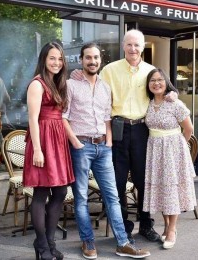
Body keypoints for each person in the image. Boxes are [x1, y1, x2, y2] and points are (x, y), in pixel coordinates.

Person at [71, 29, 177, 242]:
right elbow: (91, 83)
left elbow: (162, 88)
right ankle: (125, 227)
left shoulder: (150, 71)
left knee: (143, 180)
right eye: (129, 44)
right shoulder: (109, 70)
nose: (133, 48)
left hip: (141, 129)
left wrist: (171, 93)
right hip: (116, 129)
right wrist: (77, 73)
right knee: (117, 182)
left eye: (137, 45)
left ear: (143, 46)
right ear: (123, 46)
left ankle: (146, 225)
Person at [63, 43, 150, 259]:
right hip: (81, 147)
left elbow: (106, 117)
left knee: (113, 196)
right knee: (81, 197)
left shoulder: (105, 86)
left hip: (104, 147)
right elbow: (63, 116)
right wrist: (74, 141)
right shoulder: (70, 84)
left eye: (95, 58)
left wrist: (109, 141)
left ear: (100, 60)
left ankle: (123, 242)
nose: (92, 61)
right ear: (81, 60)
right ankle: (88, 241)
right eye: (88, 58)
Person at [23, 42, 75, 260]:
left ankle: (49, 242)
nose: (56, 63)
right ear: (44, 59)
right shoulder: (37, 84)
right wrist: (37, 150)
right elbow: (33, 120)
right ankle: (42, 246)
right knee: (41, 192)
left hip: (57, 141)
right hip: (42, 141)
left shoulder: (57, 83)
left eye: (60, 59)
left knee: (61, 192)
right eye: (52, 58)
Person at [142, 68, 197, 249]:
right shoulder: (148, 103)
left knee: (172, 191)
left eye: (160, 80)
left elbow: (188, 129)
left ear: (166, 82)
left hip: (173, 152)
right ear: (148, 85)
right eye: (152, 81)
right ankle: (165, 225)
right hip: (155, 152)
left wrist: (179, 147)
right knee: (161, 191)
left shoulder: (175, 103)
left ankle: (172, 229)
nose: (156, 83)